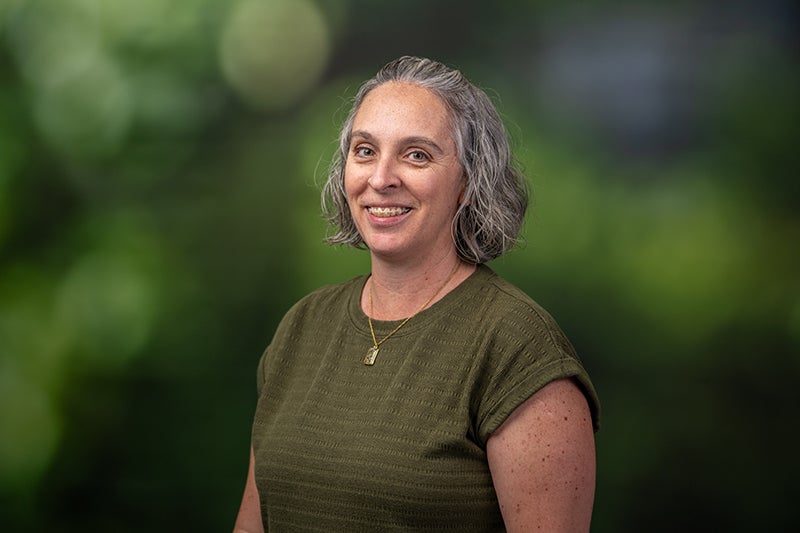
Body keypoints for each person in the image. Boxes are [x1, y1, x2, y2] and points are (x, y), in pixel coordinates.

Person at [233, 56, 600, 532]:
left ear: (468, 183)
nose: (381, 178)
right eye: (365, 151)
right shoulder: (302, 327)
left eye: (417, 155)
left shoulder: (517, 348)